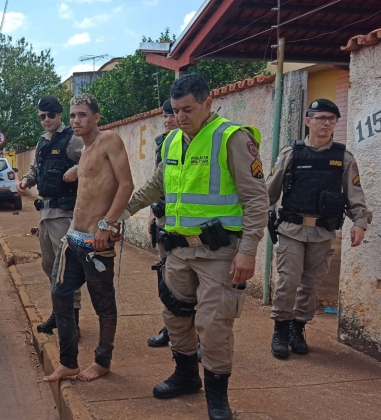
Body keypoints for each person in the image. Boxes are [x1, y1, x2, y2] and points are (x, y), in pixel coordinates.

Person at [123, 74, 269, 420]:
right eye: (176, 110)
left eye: (187, 109)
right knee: (175, 315)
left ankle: (218, 397)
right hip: (177, 251)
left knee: (213, 323)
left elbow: (256, 200)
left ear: (208, 103)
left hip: (219, 253)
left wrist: (248, 250)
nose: (181, 116)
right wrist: (119, 213)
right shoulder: (173, 141)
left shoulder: (232, 139)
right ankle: (186, 376)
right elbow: (154, 186)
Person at [267, 99, 372, 359]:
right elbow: (270, 190)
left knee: (310, 285)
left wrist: (360, 222)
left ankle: (297, 328)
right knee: (288, 281)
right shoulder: (291, 153)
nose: (326, 123)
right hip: (292, 228)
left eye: (331, 119)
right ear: (308, 121)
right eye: (321, 118)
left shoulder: (343, 157)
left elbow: (354, 194)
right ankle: (280, 329)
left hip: (323, 232)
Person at [42, 93, 134, 383]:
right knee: (60, 296)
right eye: (72, 115)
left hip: (97, 242)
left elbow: (126, 184)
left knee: (103, 305)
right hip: (73, 238)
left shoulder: (110, 141)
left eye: (82, 115)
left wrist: (108, 225)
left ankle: (102, 361)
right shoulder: (84, 149)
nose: (76, 120)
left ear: (96, 117)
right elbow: (91, 173)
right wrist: (74, 170)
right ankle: (68, 363)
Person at [18, 95, 85, 337]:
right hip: (45, 212)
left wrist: (77, 169)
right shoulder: (43, 141)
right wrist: (26, 180)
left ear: (59, 116)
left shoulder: (73, 139)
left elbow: (94, 156)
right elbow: (36, 168)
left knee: (66, 267)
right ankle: (59, 314)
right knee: (49, 266)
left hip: (64, 212)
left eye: (50, 116)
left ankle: (72, 321)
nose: (46, 120)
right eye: (42, 117)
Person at [147, 99, 177, 348]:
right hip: (163, 217)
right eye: (165, 116)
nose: (167, 120)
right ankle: (170, 326)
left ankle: (198, 335)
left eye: (171, 115)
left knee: (189, 280)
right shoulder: (162, 144)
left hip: (188, 222)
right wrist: (152, 215)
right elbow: (156, 182)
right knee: (165, 274)